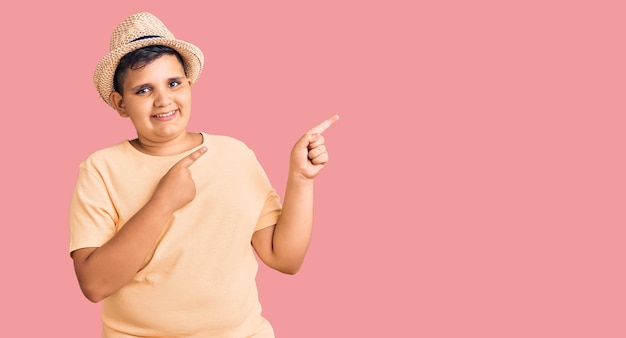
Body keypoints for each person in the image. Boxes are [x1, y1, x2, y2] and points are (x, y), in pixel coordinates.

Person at [68, 12, 338, 337]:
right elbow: (95, 284)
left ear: (189, 84)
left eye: (173, 83)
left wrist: (301, 179)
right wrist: (162, 203)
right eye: (143, 90)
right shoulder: (101, 169)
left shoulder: (235, 155)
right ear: (120, 103)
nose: (163, 99)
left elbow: (285, 259)